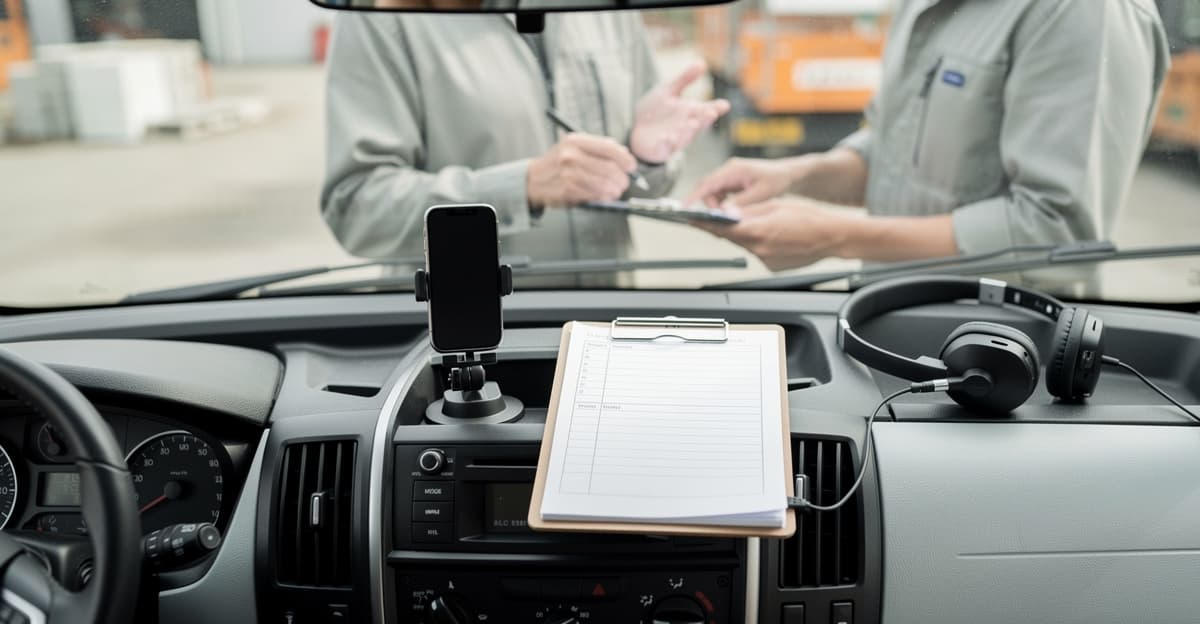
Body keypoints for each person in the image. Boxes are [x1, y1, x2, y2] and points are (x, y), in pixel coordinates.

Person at [688, 0, 1170, 278]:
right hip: (890, 323)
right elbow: (893, 153)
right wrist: (792, 175)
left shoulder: (1083, 12)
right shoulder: (925, 5)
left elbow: (1057, 233)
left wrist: (834, 235)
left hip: (1001, 363)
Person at [321, 11, 728, 279]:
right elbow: (356, 208)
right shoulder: (385, 13)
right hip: (468, 343)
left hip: (605, 329)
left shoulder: (610, 10)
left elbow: (641, 183)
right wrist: (522, 187)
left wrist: (645, 159)